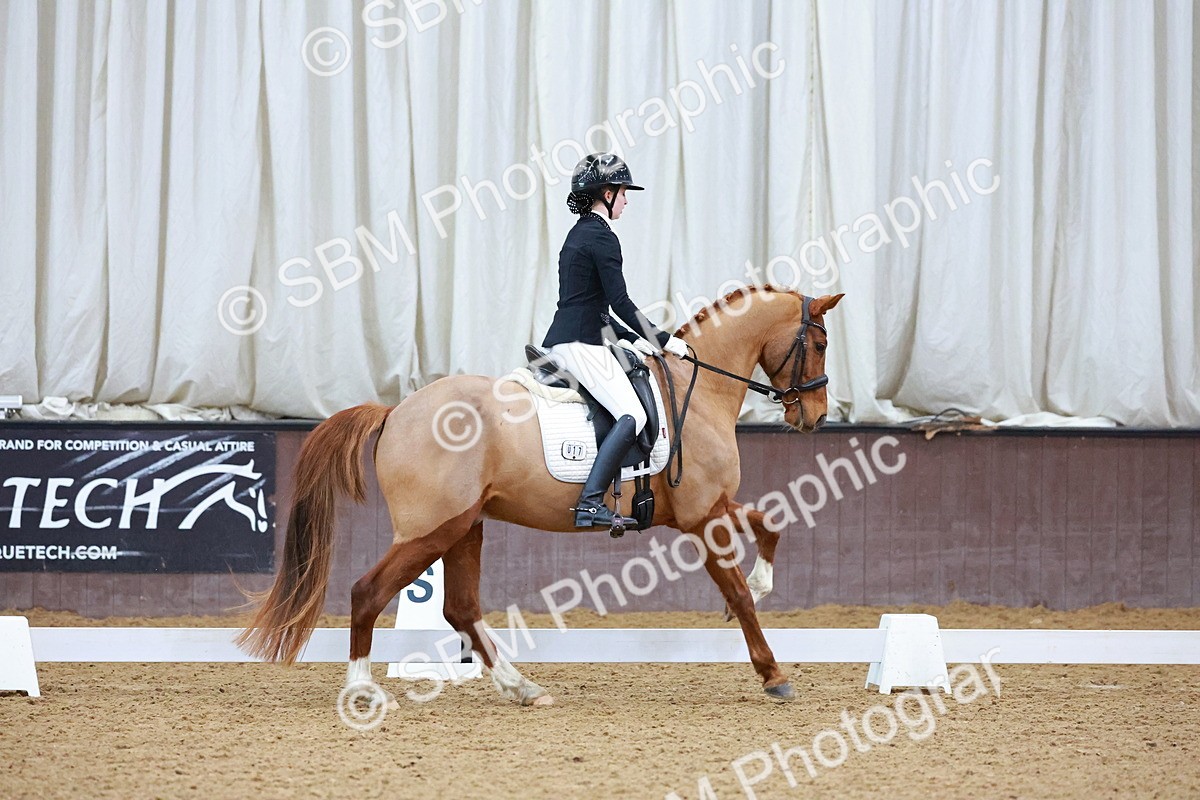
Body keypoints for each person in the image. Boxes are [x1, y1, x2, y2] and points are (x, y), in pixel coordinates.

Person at [541, 153, 688, 529]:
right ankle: (591, 502)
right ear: (607, 194)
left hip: (572, 338)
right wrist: (663, 340)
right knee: (633, 415)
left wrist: (630, 338)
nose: (626, 200)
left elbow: (594, 308)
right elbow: (620, 302)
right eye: (623, 193)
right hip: (582, 345)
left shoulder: (579, 233)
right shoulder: (602, 237)